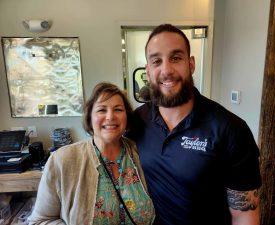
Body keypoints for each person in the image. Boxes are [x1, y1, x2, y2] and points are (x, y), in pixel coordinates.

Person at [128, 24, 262, 225]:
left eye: (176, 58)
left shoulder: (230, 129)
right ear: (147, 70)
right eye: (156, 61)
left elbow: (244, 215)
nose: (166, 70)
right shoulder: (136, 121)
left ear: (191, 64)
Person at [29, 82, 155, 225]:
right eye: (102, 110)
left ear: (127, 117)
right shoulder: (62, 160)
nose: (110, 117)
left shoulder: (141, 153)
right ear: (89, 117)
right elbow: (40, 220)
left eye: (118, 109)